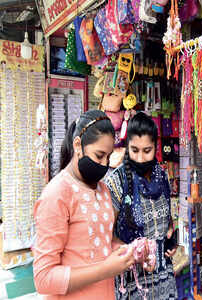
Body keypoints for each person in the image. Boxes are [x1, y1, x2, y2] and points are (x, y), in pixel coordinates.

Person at [33, 110, 135, 300]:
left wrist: (127, 251)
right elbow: (43, 278)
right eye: (99, 155)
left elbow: (101, 242)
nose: (104, 164)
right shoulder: (57, 195)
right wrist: (105, 270)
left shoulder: (103, 190)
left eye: (108, 157)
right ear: (78, 145)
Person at [106, 112, 178, 300]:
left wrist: (171, 239)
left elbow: (167, 221)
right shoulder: (116, 182)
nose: (140, 158)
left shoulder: (162, 176)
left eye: (147, 150)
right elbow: (108, 236)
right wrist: (136, 252)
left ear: (156, 147)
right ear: (127, 146)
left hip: (163, 275)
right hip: (133, 281)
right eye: (134, 150)